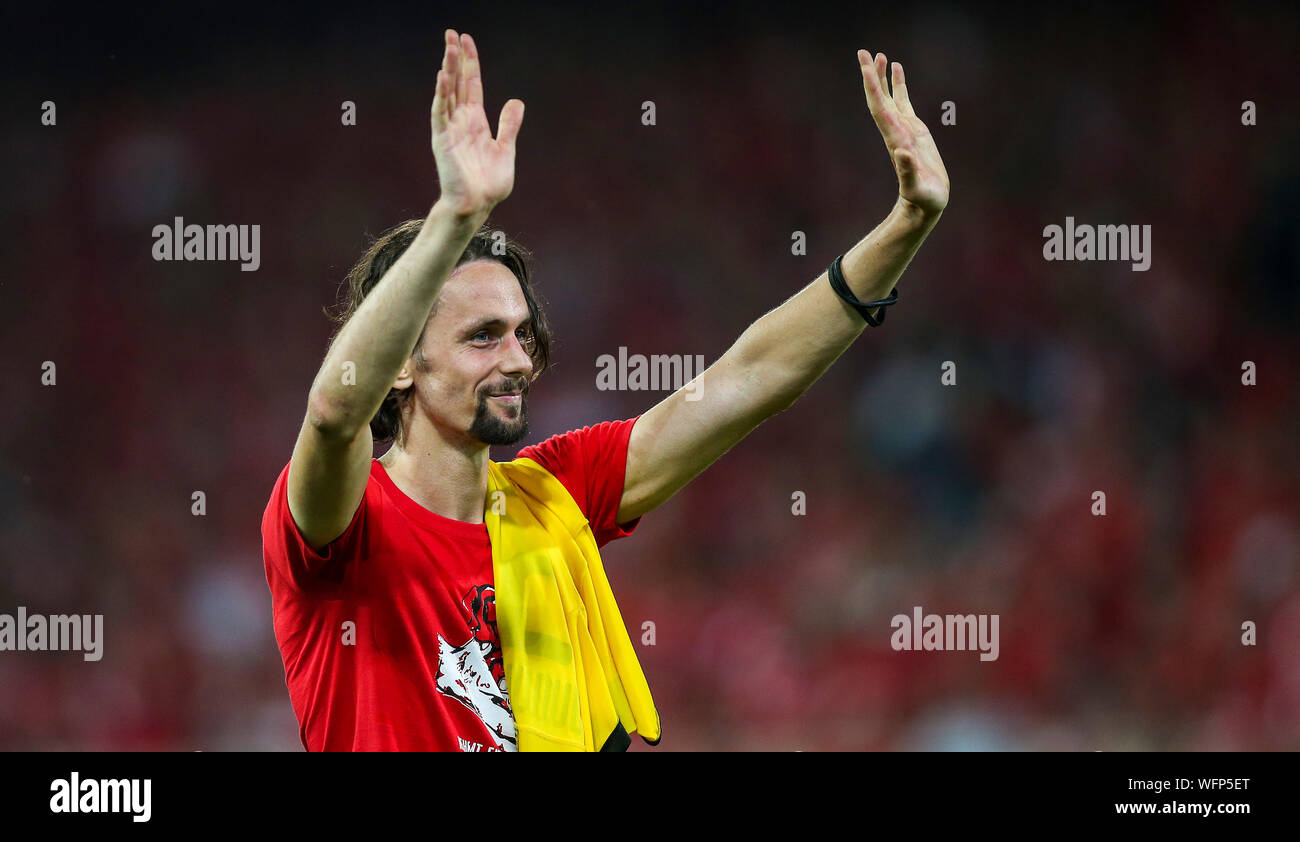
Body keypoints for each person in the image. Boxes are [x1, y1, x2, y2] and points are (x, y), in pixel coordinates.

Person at [261, 28, 949, 751]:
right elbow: (336, 412)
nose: (518, 360)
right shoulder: (341, 526)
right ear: (402, 363)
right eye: (482, 335)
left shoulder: (556, 492)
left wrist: (906, 224)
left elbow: (752, 378)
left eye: (522, 334)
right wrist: (454, 219)